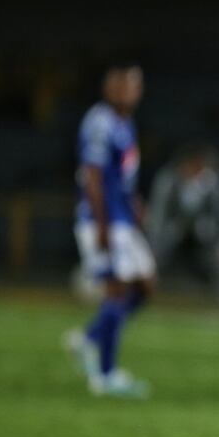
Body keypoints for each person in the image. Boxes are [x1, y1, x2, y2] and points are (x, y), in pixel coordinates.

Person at [63, 60, 154, 398]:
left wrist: (133, 203)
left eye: (133, 84)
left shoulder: (124, 122)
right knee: (116, 291)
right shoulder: (100, 122)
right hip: (103, 221)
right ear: (108, 87)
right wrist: (101, 224)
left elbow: (120, 175)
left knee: (144, 286)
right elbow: (93, 176)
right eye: (121, 84)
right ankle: (105, 376)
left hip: (121, 219)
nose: (127, 91)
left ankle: (89, 339)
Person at [148, 142, 219, 329]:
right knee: (150, 257)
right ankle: (133, 299)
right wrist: (153, 242)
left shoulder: (214, 182)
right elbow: (158, 215)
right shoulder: (169, 179)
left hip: (205, 233)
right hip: (174, 229)